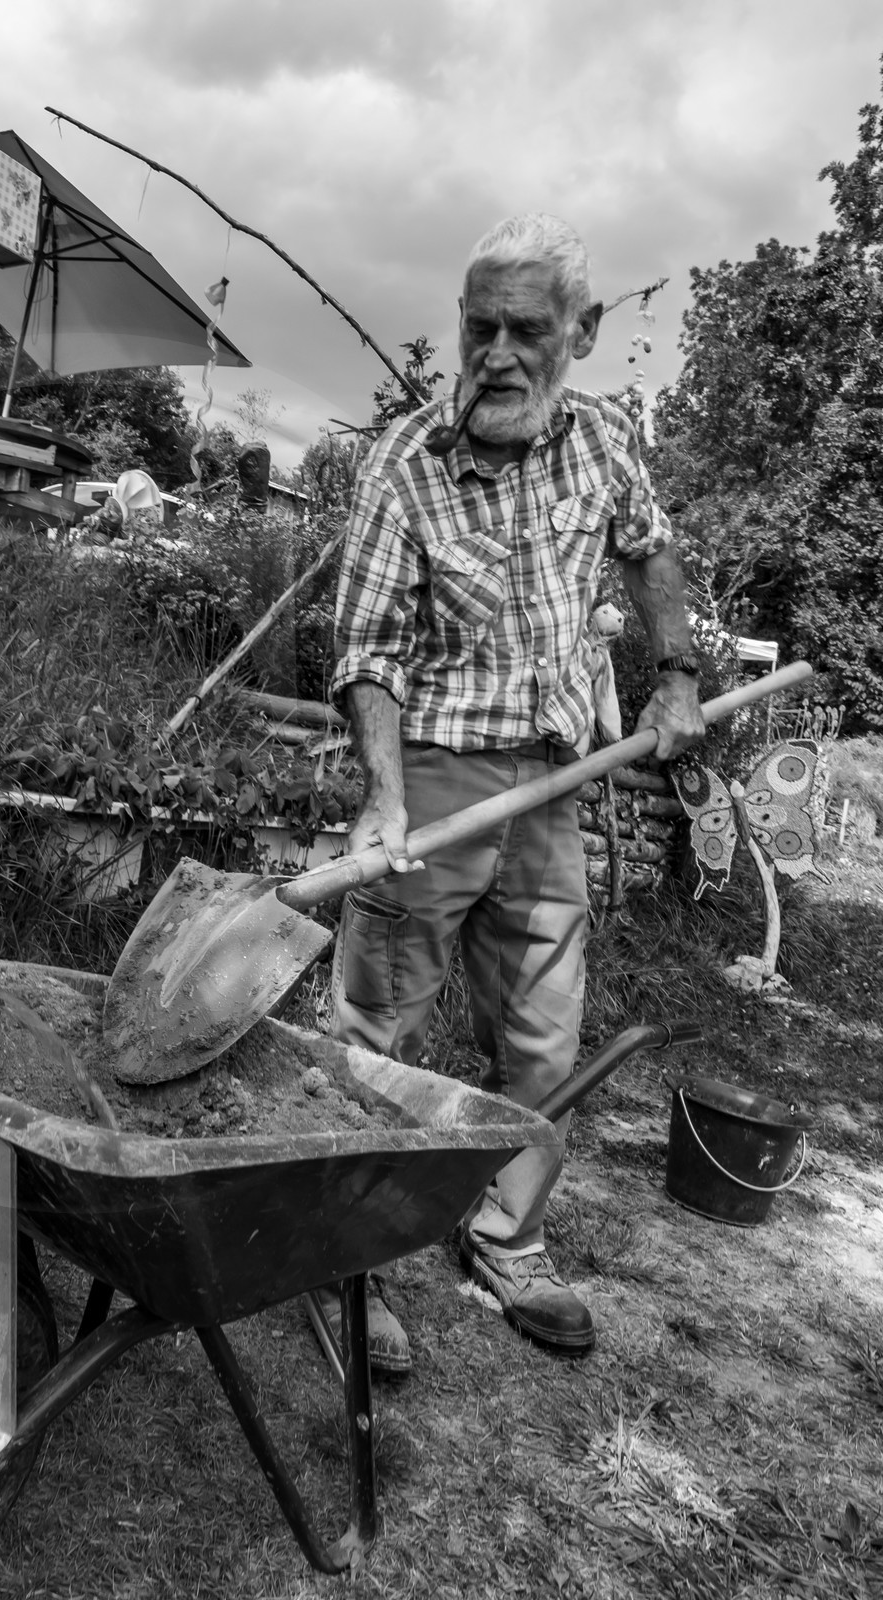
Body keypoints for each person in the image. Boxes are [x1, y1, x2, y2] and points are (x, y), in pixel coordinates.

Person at [319, 214, 704, 1371]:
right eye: (476, 324)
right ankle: (343, 1256)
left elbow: (649, 547)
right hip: (432, 781)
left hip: (551, 782)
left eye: (523, 329)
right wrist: (384, 796)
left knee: (543, 1036)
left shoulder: (601, 445)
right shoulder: (407, 465)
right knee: (374, 1027)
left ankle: (505, 1235)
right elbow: (368, 648)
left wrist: (675, 675)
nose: (494, 351)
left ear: (578, 335)